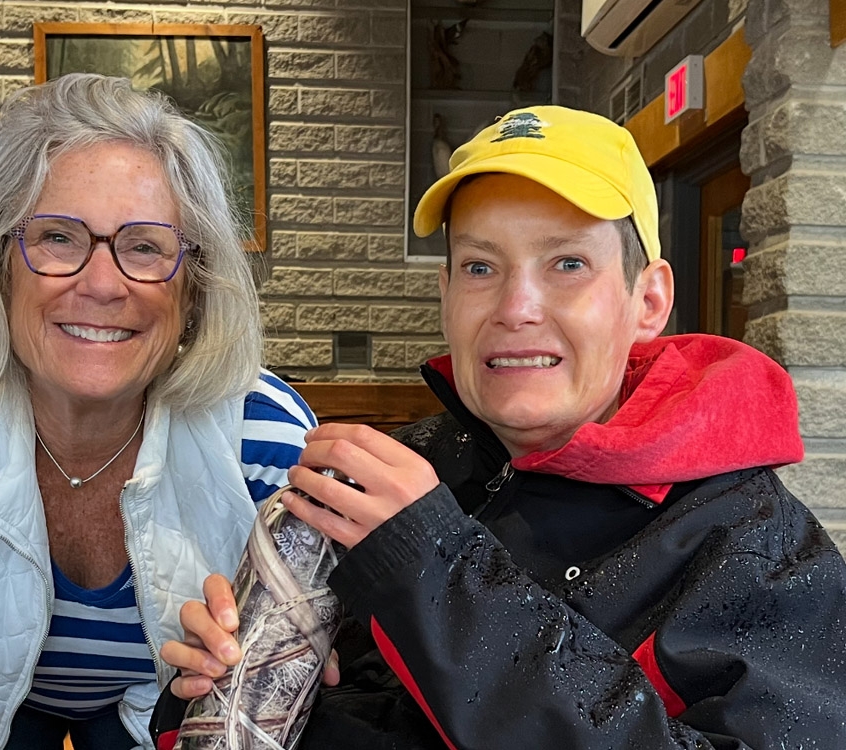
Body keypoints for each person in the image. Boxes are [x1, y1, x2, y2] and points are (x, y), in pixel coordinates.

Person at [160, 106, 846, 749]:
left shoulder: (763, 547)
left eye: (567, 264)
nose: (516, 307)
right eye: (480, 267)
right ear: (447, 296)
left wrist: (436, 575)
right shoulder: (404, 469)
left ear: (649, 300)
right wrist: (217, 685)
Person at [0, 73, 317, 750]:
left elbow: (286, 677)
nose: (101, 285)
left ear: (196, 284)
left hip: (162, 713)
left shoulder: (266, 441)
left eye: (146, 246)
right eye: (59, 238)